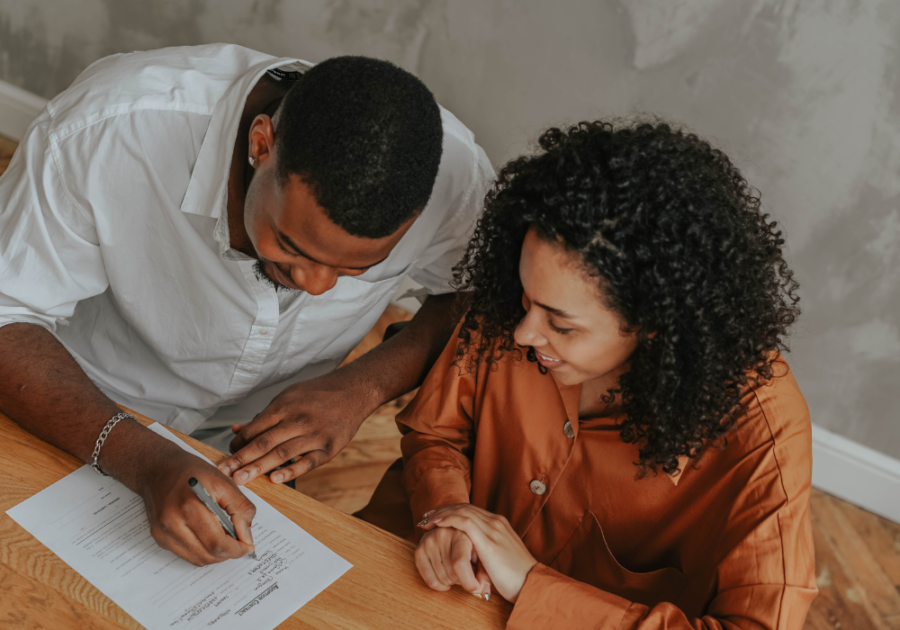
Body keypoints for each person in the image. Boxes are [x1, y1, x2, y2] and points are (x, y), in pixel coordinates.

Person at [0, 44, 493, 567]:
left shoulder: (454, 184)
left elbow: (476, 294)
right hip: (75, 401)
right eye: (292, 247)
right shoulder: (109, 128)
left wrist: (364, 386)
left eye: (356, 270)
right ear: (262, 144)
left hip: (257, 452)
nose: (318, 285)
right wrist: (140, 457)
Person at [358, 120, 817, 628]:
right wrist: (450, 516)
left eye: (561, 324)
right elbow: (436, 433)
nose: (523, 334)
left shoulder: (763, 430)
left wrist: (533, 586)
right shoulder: (520, 303)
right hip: (419, 580)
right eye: (527, 300)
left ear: (653, 326)